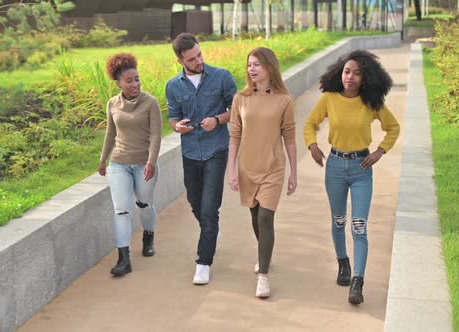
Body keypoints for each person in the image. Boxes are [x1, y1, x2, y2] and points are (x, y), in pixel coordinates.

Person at [303, 49, 400, 304]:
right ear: (340, 73)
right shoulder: (329, 99)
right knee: (338, 221)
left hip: (361, 169)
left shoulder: (372, 103)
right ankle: (343, 264)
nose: (350, 77)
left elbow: (393, 127)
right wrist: (312, 145)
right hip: (335, 166)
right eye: (347, 71)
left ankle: (357, 281)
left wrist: (380, 151)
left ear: (365, 77)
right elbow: (309, 124)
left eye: (357, 73)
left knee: (358, 225)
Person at [165, 33, 237, 285]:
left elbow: (236, 111)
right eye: (192, 59)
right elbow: (173, 118)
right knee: (196, 204)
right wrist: (178, 127)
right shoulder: (173, 86)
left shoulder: (222, 77)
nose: (199, 61)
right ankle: (210, 229)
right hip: (190, 152)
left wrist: (217, 120)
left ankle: (204, 261)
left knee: (209, 208)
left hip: (216, 149)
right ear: (180, 61)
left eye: (199, 55)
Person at [227, 47, 297, 299]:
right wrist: (231, 170)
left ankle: (263, 276)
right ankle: (264, 253)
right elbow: (235, 135)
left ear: (269, 67)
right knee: (256, 218)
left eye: (256, 64)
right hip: (247, 167)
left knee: (266, 218)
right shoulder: (240, 98)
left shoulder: (284, 100)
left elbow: (289, 138)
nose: (251, 69)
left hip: (273, 168)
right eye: (249, 64)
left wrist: (294, 173)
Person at [98, 53, 162, 277]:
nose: (135, 84)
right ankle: (123, 258)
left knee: (144, 204)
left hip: (144, 163)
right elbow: (110, 132)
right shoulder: (112, 104)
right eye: (129, 80)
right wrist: (103, 159)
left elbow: (156, 135)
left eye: (137, 79)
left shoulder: (150, 102)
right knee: (121, 210)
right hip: (119, 163)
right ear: (118, 83)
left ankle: (149, 235)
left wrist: (151, 162)